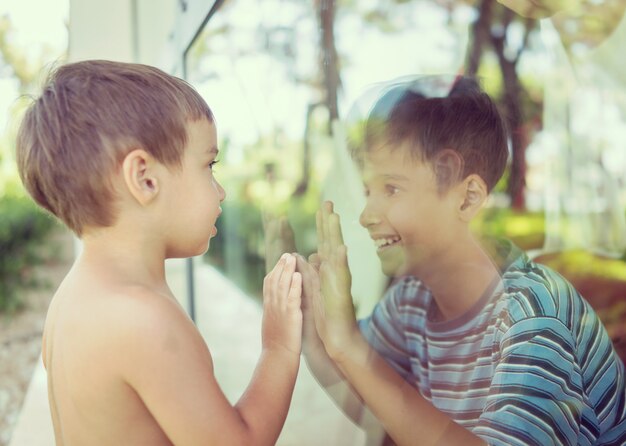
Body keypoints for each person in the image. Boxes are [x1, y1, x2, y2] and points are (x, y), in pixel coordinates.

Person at [293, 75, 626, 445]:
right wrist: (315, 323)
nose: (367, 215)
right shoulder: (412, 301)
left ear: (467, 199)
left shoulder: (532, 317)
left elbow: (361, 368)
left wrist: (349, 346)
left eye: (391, 188)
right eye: (369, 190)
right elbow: (375, 403)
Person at [16, 59, 303, 446]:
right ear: (145, 179)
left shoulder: (71, 300)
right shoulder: (143, 320)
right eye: (209, 165)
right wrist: (279, 347)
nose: (221, 192)